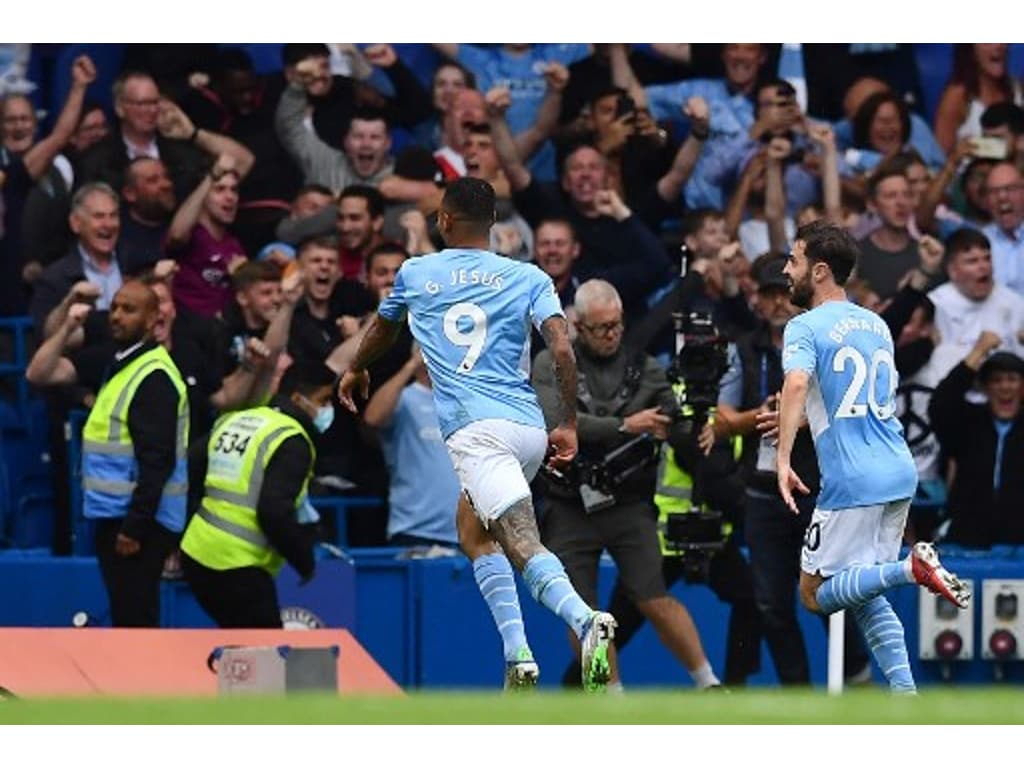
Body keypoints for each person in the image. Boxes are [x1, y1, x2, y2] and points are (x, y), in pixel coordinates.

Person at [338, 177, 616, 691]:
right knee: (472, 530)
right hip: (528, 427)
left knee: (520, 539)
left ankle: (584, 620)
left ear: (443, 221)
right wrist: (569, 423)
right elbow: (561, 350)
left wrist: (355, 368)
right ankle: (518, 655)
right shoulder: (528, 275)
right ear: (493, 226)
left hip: (475, 429)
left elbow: (384, 327)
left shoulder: (417, 272)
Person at [777, 220, 971, 694]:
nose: (786, 269)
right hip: (897, 470)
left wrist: (783, 457)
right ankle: (906, 698)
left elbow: (798, 383)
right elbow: (853, 399)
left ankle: (912, 568)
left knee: (815, 595)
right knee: (864, 589)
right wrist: (801, 419)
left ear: (819, 271)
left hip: (852, 478)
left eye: (794, 259)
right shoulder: (876, 323)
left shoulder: (803, 325)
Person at [534, 279, 725, 690]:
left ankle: (708, 683)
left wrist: (698, 424)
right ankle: (611, 696)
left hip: (628, 501)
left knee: (654, 596)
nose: (612, 334)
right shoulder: (550, 362)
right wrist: (625, 424)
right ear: (577, 326)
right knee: (582, 611)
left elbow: (673, 420)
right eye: (601, 328)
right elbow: (555, 424)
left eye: (617, 325)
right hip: (569, 503)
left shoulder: (645, 365)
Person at [26, 281, 188, 627]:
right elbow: (38, 372)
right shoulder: (121, 364)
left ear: (152, 321)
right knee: (127, 613)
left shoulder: (153, 376)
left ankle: (143, 681)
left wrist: (135, 527)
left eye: (129, 310)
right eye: (114, 307)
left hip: (137, 522)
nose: (116, 316)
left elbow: (157, 461)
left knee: (136, 617)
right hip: (115, 515)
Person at [179, 361, 335, 628]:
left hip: (195, 553)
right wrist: (304, 560)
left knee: (241, 654)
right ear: (298, 399)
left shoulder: (238, 419)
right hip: (237, 565)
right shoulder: (293, 440)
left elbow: (189, 469)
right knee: (265, 659)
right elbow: (273, 512)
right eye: (324, 400)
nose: (327, 409)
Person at [929, 335, 1024, 547]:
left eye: (1012, 379)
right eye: (996, 380)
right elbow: (941, 404)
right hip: (969, 538)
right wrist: (979, 351)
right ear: (985, 387)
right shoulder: (969, 423)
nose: (1005, 387)